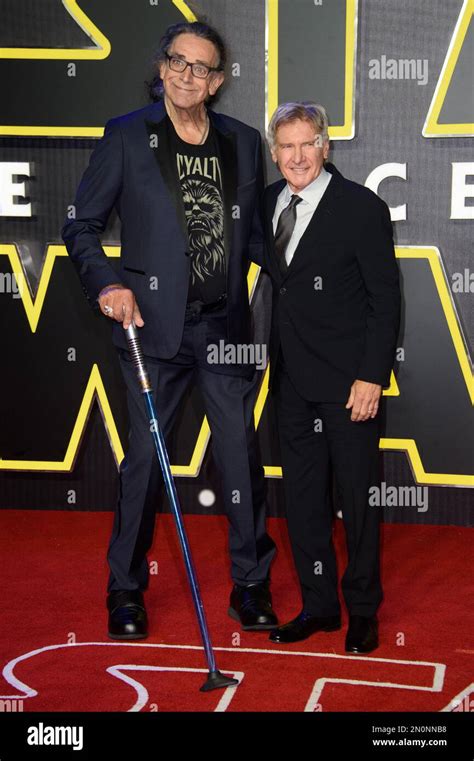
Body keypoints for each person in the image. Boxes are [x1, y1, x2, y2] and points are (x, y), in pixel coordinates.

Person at [62, 21, 277, 640]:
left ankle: (251, 584)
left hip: (225, 328)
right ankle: (125, 589)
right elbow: (81, 225)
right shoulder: (127, 136)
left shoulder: (242, 141)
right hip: (151, 330)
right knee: (145, 466)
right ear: (162, 69)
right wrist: (107, 283)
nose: (188, 76)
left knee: (240, 458)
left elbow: (255, 237)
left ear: (217, 81)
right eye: (179, 63)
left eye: (202, 68)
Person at [263, 102, 401, 653]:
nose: (297, 157)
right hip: (292, 382)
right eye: (286, 147)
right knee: (302, 501)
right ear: (275, 153)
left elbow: (386, 300)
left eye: (307, 144)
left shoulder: (362, 208)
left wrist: (372, 376)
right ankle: (319, 607)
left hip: (350, 386)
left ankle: (363, 611)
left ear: (325, 146)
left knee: (359, 503)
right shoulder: (270, 204)